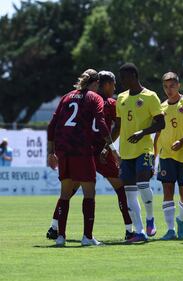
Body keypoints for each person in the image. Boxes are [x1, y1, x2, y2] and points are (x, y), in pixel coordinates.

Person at [46, 71, 134, 241]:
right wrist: (111, 149)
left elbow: (54, 124)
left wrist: (52, 151)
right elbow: (112, 126)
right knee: (117, 188)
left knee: (67, 191)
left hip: (70, 150)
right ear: (104, 84)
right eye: (113, 84)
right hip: (94, 151)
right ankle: (128, 229)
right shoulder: (105, 101)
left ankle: (55, 228)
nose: (114, 88)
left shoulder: (68, 97)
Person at [115, 63, 165, 242]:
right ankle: (139, 231)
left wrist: (142, 132)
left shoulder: (150, 97)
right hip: (126, 153)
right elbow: (118, 126)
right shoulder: (121, 98)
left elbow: (161, 123)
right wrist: (106, 146)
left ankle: (150, 217)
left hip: (144, 149)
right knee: (129, 193)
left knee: (143, 184)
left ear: (134, 76)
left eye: (124, 77)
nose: (122, 81)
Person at [154, 72, 183, 240]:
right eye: (165, 87)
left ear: (178, 85)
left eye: (172, 86)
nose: (168, 90)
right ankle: (170, 229)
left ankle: (180, 219)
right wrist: (154, 154)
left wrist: (182, 141)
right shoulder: (161, 107)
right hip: (166, 155)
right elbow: (157, 132)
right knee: (168, 192)